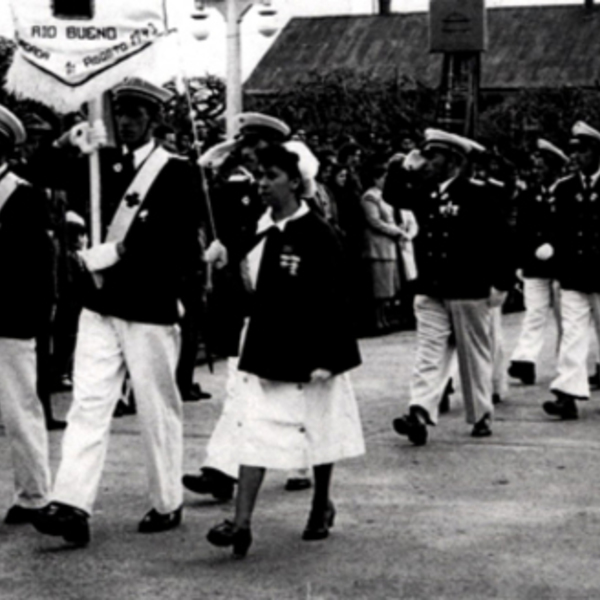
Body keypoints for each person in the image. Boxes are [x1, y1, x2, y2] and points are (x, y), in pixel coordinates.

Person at [32, 78, 204, 546]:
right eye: (120, 113)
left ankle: (167, 500)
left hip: (148, 305)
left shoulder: (177, 171)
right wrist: (65, 143)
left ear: (155, 120)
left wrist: (118, 252)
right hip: (100, 303)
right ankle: (72, 504)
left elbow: (177, 237)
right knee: (89, 404)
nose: (125, 122)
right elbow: (39, 172)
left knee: (155, 406)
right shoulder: (97, 163)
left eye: (135, 114)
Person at [206, 144, 364, 558]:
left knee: (319, 430)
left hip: (311, 349)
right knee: (254, 430)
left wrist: (330, 358)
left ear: (295, 182)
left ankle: (320, 504)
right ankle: (240, 524)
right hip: (264, 346)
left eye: (271, 176)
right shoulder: (256, 229)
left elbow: (336, 299)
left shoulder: (319, 233)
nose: (261, 184)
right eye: (259, 176)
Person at [183, 113, 315, 499]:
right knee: (239, 385)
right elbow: (220, 218)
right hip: (245, 302)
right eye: (245, 146)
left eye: (257, 147)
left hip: (285, 304)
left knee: (291, 388)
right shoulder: (237, 185)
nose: (249, 154)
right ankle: (221, 468)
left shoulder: (296, 190)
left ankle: (300, 459)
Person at [392, 129, 514, 444]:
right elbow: (393, 195)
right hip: (432, 286)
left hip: (467, 287)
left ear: (454, 161)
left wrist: (501, 282)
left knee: (472, 356)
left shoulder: (478, 194)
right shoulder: (425, 191)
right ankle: (419, 411)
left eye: (435, 156)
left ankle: (481, 414)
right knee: (429, 352)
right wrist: (404, 165)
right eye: (427, 155)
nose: (428, 161)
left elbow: (501, 240)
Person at [0, 104, 54, 526]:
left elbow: (37, 265)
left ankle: (34, 494)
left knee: (19, 408)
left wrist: (38, 317)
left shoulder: (25, 196)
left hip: (10, 318)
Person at [542, 122, 600, 420]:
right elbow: (559, 231)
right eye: (574, 151)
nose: (577, 156)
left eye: (584, 150)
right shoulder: (565, 189)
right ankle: (567, 394)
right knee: (572, 336)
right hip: (574, 275)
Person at [508, 139, 567, 386]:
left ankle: (567, 366)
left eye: (542, 167)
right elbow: (521, 230)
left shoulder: (566, 192)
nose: (537, 171)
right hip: (534, 265)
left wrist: (555, 244)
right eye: (536, 167)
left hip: (563, 264)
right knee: (534, 313)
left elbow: (571, 227)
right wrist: (520, 262)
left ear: (555, 168)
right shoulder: (528, 195)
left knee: (567, 319)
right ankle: (525, 361)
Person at [360, 162, 404, 332]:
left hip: (388, 244)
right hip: (377, 246)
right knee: (379, 287)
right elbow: (374, 221)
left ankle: (385, 318)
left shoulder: (385, 195)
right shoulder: (370, 196)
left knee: (388, 285)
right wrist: (395, 231)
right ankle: (378, 320)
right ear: (375, 178)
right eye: (384, 177)